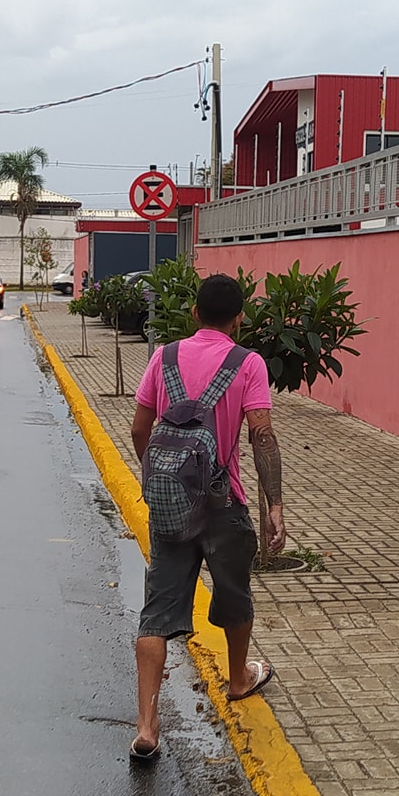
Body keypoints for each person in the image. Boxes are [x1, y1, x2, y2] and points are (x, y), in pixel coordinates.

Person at [127, 272, 286, 763]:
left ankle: (148, 726)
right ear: (239, 319)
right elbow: (261, 435)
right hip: (223, 504)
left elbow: (140, 427)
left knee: (157, 610)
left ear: (195, 313)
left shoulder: (164, 356)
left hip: (171, 505)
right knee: (235, 595)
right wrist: (274, 505)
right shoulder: (248, 364)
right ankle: (239, 679)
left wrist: (159, 479)